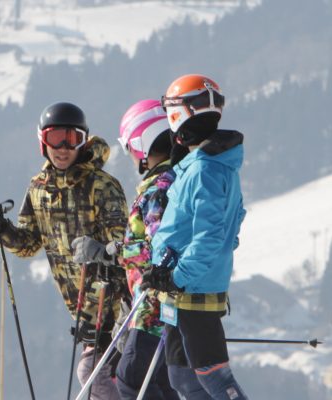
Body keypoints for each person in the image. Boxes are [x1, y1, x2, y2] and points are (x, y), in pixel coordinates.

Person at [0, 101, 129, 399]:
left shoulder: (101, 186)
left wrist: (102, 252)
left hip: (115, 304)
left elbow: (126, 247)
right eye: (54, 138)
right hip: (82, 310)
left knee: (94, 376)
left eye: (71, 139)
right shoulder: (38, 189)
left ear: (83, 141)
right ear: (42, 141)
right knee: (103, 379)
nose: (62, 148)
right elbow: (28, 244)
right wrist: (2, 229)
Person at [143, 74, 247, 400]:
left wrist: (176, 275)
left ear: (182, 114)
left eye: (171, 111)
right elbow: (234, 222)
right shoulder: (202, 165)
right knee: (181, 378)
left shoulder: (206, 170)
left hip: (193, 290)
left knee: (213, 375)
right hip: (180, 292)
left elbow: (210, 237)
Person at [110, 99, 179, 399]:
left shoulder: (157, 190)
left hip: (153, 308)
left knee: (130, 378)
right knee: (162, 382)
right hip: (165, 308)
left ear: (141, 144)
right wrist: (118, 251)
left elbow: (161, 242)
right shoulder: (173, 180)